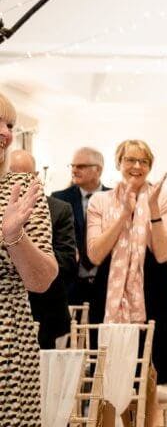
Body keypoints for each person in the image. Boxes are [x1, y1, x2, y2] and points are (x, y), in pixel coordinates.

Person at [87, 140, 167, 389]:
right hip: (108, 292)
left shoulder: (164, 198)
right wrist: (123, 216)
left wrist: (152, 209)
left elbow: (162, 254)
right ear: (119, 163)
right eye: (130, 159)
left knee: (150, 378)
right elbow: (94, 255)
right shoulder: (100, 201)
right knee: (106, 378)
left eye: (144, 161)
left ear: (150, 166)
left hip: (153, 290)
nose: (137, 166)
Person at [0, 92, 57, 425]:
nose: (6, 133)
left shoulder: (21, 187)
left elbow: (41, 280)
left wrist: (13, 236)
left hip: (7, 342)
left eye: (10, 125)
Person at [10, 150, 77, 350]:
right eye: (13, 177)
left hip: (46, 311)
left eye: (25, 177)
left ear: (36, 176)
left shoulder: (58, 209)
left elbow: (66, 262)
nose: (18, 184)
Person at [52, 147, 110, 307]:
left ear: (98, 169)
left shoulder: (114, 198)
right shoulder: (59, 199)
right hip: (71, 284)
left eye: (81, 166)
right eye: (73, 166)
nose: (74, 170)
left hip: (106, 282)